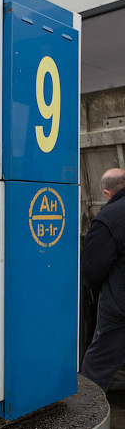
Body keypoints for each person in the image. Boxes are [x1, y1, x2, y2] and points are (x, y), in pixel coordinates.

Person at [81, 167, 125, 391]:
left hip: (119, 309)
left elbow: (92, 269)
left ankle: (88, 409)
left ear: (107, 193)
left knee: (96, 366)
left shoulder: (108, 218)